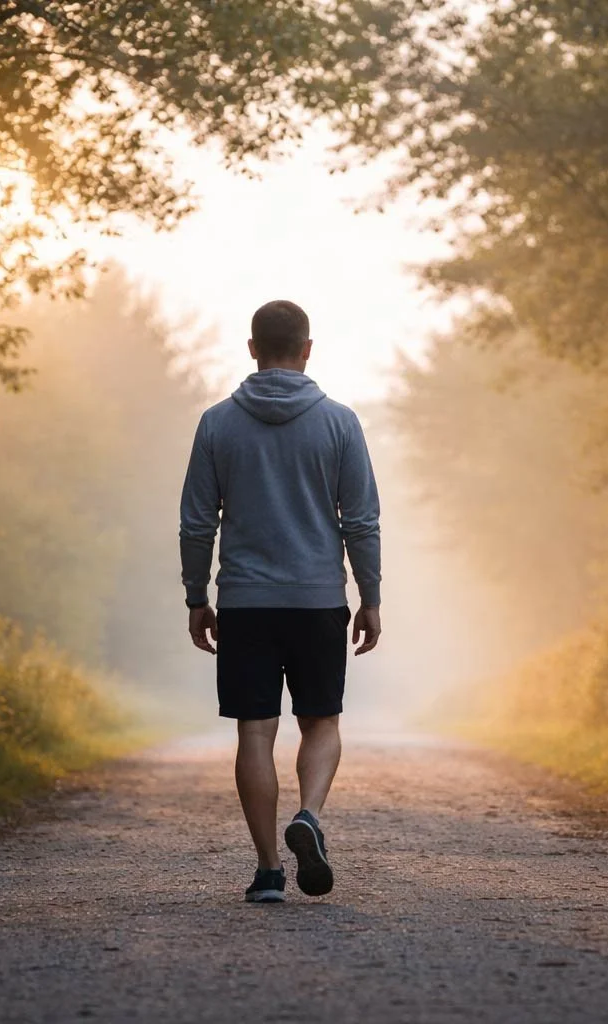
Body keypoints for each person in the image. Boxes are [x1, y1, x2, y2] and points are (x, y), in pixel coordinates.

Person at [178, 299, 382, 904]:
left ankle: (269, 870)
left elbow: (196, 524)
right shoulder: (340, 423)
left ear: (251, 349)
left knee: (255, 734)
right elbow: (362, 522)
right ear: (308, 349)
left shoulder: (217, 422)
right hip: (319, 599)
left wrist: (197, 595)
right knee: (321, 721)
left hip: (245, 602)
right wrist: (369, 596)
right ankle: (310, 817)